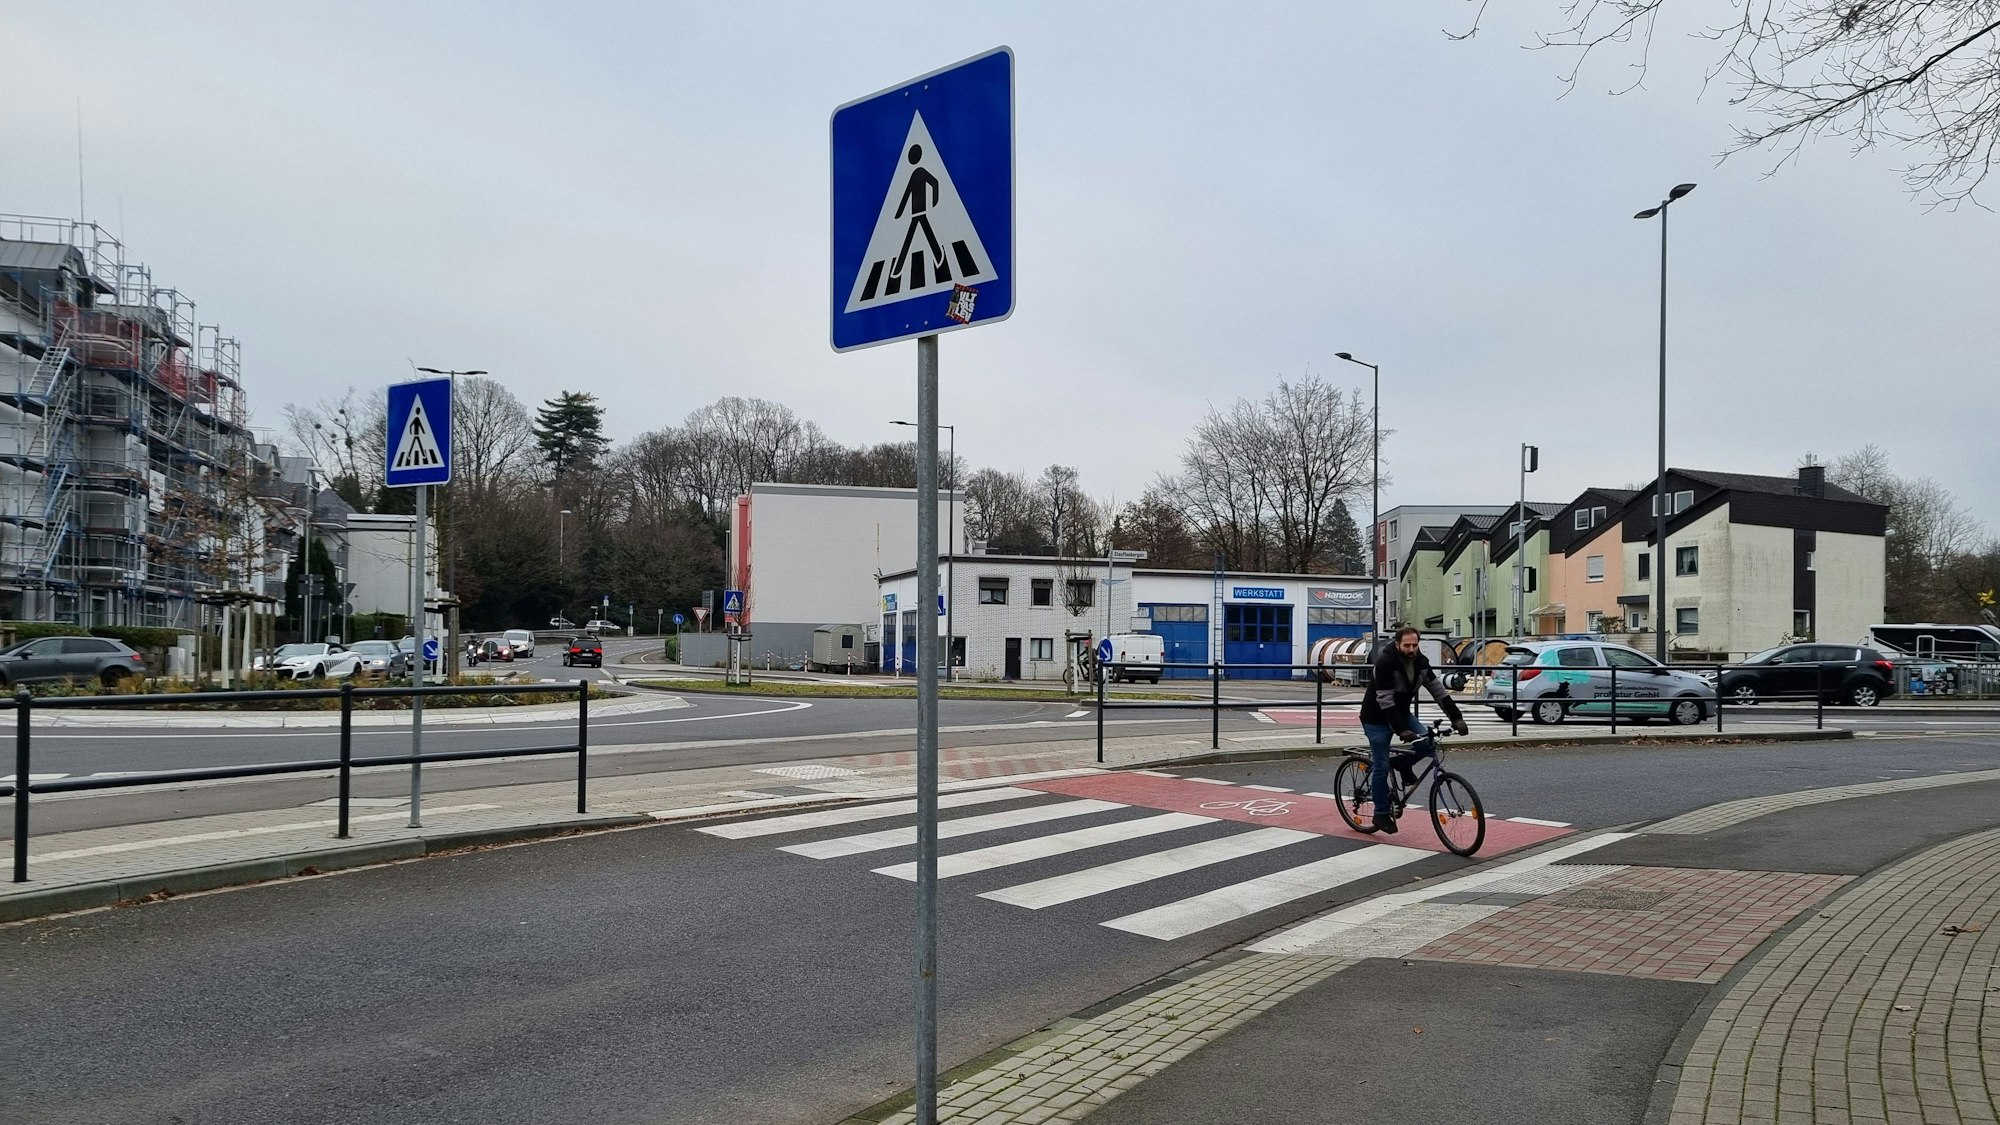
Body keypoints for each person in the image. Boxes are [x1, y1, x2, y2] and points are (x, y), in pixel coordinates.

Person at [1358, 626, 1468, 833]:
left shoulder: (1421, 662)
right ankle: (1380, 814)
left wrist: (1456, 718)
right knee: (1381, 767)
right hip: (1376, 718)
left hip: (1401, 713)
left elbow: (1439, 691)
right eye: (1407, 645)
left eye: (1414, 645)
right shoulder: (1385, 662)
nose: (1411, 649)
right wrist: (1401, 730)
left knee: (1427, 743)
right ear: (1397, 643)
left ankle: (1401, 764)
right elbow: (1385, 700)